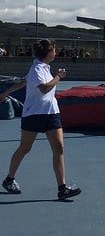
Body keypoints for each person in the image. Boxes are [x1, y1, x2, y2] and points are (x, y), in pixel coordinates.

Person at [0, 38, 81, 200]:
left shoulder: (43, 68)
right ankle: (9, 179)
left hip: (51, 113)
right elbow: (44, 89)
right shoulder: (37, 68)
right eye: (54, 50)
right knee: (24, 148)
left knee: (58, 148)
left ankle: (62, 188)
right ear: (48, 52)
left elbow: (23, 82)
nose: (56, 53)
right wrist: (58, 77)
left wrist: (5, 93)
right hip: (34, 113)